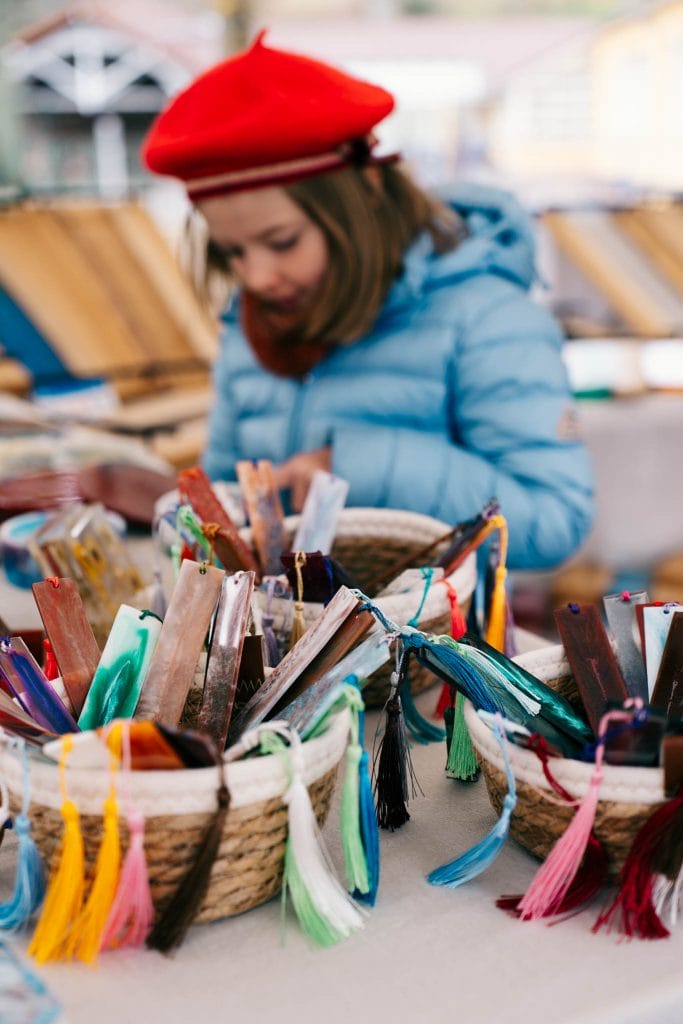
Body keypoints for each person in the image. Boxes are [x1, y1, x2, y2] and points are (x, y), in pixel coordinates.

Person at [142, 31, 594, 570]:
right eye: (232, 251)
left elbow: (554, 519)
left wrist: (360, 469)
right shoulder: (253, 325)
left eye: (282, 242)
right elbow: (222, 495)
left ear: (363, 201)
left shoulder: (487, 318)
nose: (257, 277)